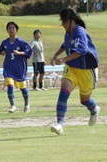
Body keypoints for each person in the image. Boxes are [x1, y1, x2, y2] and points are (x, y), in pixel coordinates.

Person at [50, 7, 100, 135]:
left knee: (84, 100)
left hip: (87, 71)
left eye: (65, 20)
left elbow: (82, 50)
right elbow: (65, 45)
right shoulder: (68, 32)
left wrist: (64, 58)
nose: (63, 24)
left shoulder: (80, 31)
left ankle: (94, 110)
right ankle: (59, 125)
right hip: (72, 68)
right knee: (63, 93)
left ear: (72, 19)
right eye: (62, 21)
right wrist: (56, 55)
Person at [0, 21, 32, 113]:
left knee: (22, 88)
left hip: (20, 68)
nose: (11, 29)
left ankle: (27, 104)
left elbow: (29, 51)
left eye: (13, 28)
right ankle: (12, 105)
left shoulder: (21, 42)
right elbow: (1, 50)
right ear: (7, 30)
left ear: (16, 30)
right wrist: (2, 52)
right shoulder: (5, 42)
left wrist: (20, 53)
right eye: (9, 28)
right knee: (9, 84)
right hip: (8, 66)